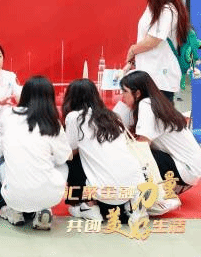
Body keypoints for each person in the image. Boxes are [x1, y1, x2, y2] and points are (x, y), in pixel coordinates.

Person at [62, 79, 145, 222]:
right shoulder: (112, 116)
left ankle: (90, 206)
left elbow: (68, 151)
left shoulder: (75, 117)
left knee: (71, 159)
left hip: (102, 190)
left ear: (71, 98)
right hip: (133, 185)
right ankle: (134, 207)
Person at [0, 76, 71, 230]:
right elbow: (65, 157)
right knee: (63, 165)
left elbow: (1, 149)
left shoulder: (8, 115)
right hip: (49, 196)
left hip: (14, 196)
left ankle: (13, 210)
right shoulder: (53, 123)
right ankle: (44, 209)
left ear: (24, 94)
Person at [119, 71, 201, 202]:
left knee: (133, 154)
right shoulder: (155, 103)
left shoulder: (146, 105)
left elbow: (142, 145)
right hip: (190, 167)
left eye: (124, 91)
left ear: (138, 93)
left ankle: (144, 196)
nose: (122, 95)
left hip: (186, 168)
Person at [125, 0, 191, 101]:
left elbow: (154, 40)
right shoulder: (154, 7)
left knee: (157, 114)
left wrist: (133, 49)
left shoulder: (166, 9)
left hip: (160, 79)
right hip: (150, 77)